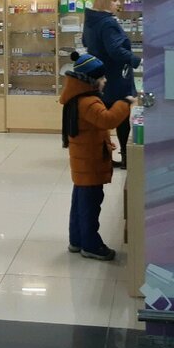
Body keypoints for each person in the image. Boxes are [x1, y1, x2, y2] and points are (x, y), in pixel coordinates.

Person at [59, 51, 134, 261]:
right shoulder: (88, 102)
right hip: (90, 162)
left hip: (83, 162)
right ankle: (91, 245)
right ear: (90, 80)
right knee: (90, 206)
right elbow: (108, 120)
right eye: (101, 77)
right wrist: (125, 103)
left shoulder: (78, 98)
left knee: (80, 204)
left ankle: (77, 240)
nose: (105, 80)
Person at [82, 0, 141, 169]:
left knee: (101, 119)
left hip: (100, 76)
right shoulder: (108, 22)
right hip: (115, 77)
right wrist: (136, 60)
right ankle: (125, 158)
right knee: (121, 116)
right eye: (114, 0)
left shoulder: (91, 20)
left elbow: (85, 42)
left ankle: (102, 155)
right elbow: (115, 50)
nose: (118, 3)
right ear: (105, 2)